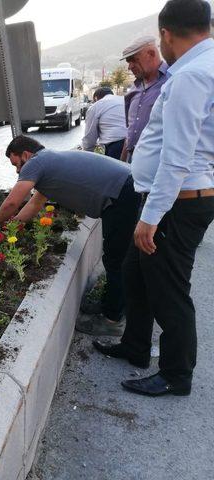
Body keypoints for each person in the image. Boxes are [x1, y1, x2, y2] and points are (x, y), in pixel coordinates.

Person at [94, 0, 214, 397]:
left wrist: (152, 217)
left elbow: (178, 155)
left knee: (169, 290)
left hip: (177, 201)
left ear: (165, 35)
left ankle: (177, 374)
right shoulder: (202, 68)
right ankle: (135, 346)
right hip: (176, 196)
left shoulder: (191, 75)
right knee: (135, 272)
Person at [0, 136, 141, 336]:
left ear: (26, 155)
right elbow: (35, 204)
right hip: (123, 188)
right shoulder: (48, 163)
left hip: (123, 192)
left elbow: (12, 203)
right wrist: (13, 229)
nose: (18, 171)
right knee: (116, 256)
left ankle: (112, 320)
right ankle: (111, 304)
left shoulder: (36, 163)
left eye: (16, 164)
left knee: (116, 259)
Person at [120, 36, 169, 163]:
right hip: (132, 161)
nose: (129, 67)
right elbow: (130, 132)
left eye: (133, 60)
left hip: (157, 163)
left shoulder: (173, 81)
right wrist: (122, 162)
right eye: (128, 62)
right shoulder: (134, 89)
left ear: (151, 53)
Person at [81, 87, 127, 159]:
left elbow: (89, 135)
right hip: (135, 142)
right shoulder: (124, 99)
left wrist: (87, 152)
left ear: (96, 98)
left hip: (115, 146)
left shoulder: (96, 106)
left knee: (114, 169)